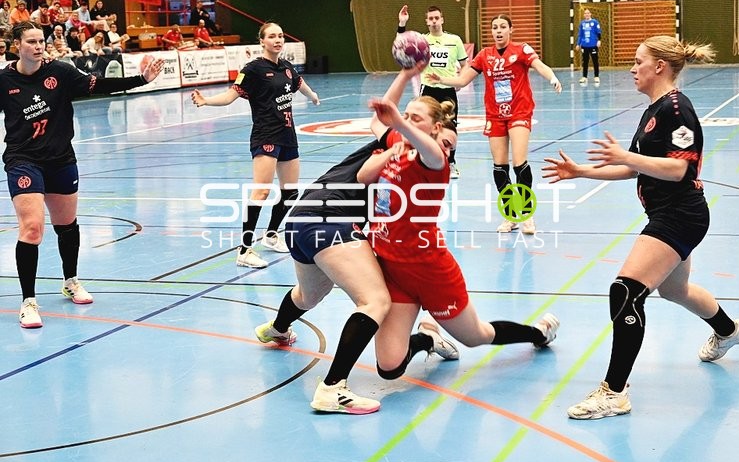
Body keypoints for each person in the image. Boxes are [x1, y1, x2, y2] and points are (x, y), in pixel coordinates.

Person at [541, 35, 739, 420]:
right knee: (676, 290)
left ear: (660, 67)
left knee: (625, 291)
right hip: (669, 213)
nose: (632, 68)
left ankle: (614, 392)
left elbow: (679, 168)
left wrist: (625, 154)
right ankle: (729, 331)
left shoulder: (677, 109)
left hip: (680, 214)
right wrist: (582, 171)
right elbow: (637, 165)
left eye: (639, 61)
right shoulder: (654, 108)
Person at [355, 96, 559, 410]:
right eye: (406, 115)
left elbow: (427, 147)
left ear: (435, 128)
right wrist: (399, 94)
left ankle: (538, 332)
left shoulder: (435, 161)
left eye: (416, 118)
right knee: (389, 367)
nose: (407, 120)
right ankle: (428, 337)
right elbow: (374, 136)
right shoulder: (397, 145)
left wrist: (398, 121)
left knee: (476, 336)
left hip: (431, 271)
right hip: (395, 271)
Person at [252, 66, 424, 414]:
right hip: (331, 219)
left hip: (301, 220)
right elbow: (386, 114)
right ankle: (333, 388)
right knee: (375, 300)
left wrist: (407, 75)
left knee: (310, 293)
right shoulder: (400, 142)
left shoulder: (400, 143)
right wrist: (406, 77)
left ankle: (277, 329)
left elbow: (384, 116)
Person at [0, 21, 165, 329]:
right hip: (23, 161)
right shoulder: (3, 80)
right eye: (32, 42)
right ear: (17, 46)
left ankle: (71, 280)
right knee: (32, 228)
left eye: (42, 41)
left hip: (61, 159)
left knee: (66, 225)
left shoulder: (60, 72)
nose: (39, 46)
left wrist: (141, 79)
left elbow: (100, 84)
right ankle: (28, 301)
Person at [191, 21, 319, 267]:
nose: (278, 40)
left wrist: (312, 96)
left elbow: (299, 83)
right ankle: (245, 250)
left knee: (290, 192)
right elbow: (230, 96)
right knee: (260, 191)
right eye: (272, 36)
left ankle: (271, 235)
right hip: (266, 135)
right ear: (262, 41)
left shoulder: (286, 66)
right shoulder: (253, 69)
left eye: (281, 36)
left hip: (288, 135)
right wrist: (206, 101)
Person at [428, 14, 562, 235]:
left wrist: (552, 78)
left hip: (519, 111)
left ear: (511, 29)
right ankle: (510, 215)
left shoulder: (521, 50)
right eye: (494, 28)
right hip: (495, 114)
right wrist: (440, 79)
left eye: (502, 27)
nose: (498, 31)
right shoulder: (484, 55)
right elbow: (462, 80)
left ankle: (527, 215)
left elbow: (540, 65)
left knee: (520, 163)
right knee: (500, 167)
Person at [397, 4, 468, 179]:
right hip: (428, 90)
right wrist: (402, 23)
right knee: (422, 126)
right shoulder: (422, 41)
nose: (434, 21)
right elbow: (401, 45)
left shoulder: (455, 40)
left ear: (442, 19)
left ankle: (451, 162)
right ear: (427, 22)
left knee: (450, 127)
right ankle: (421, 161)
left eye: (437, 18)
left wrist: (460, 81)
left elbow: (466, 65)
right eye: (431, 19)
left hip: (448, 91)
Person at [576, 8, 601, 85]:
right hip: (584, 45)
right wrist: (578, 44)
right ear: (584, 15)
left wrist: (599, 40)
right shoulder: (582, 24)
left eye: (588, 13)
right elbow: (580, 35)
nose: (587, 14)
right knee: (585, 62)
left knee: (595, 61)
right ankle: (584, 77)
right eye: (585, 13)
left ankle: (596, 76)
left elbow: (598, 32)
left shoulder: (595, 22)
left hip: (593, 45)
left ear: (590, 14)